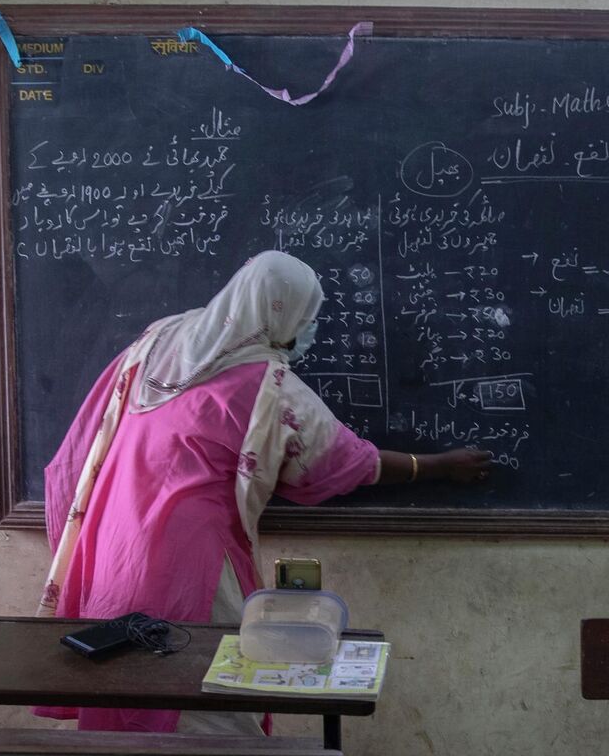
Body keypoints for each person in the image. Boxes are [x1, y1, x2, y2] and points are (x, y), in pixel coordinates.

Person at [32, 250, 490, 734]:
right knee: (203, 701)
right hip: (190, 561)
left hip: (113, 543)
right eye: (307, 317)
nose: (309, 329)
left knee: (123, 685)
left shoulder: (158, 340)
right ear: (282, 312)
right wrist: (436, 465)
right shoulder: (268, 387)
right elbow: (346, 460)